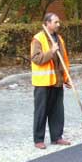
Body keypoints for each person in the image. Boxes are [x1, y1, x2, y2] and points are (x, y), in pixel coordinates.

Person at [30, 13, 72, 149]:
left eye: (58, 22)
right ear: (47, 23)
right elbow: (36, 58)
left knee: (57, 111)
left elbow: (63, 60)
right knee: (41, 111)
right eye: (56, 22)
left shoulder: (59, 39)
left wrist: (66, 78)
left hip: (57, 81)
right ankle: (38, 140)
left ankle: (57, 137)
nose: (58, 25)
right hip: (43, 82)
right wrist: (51, 52)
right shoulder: (38, 39)